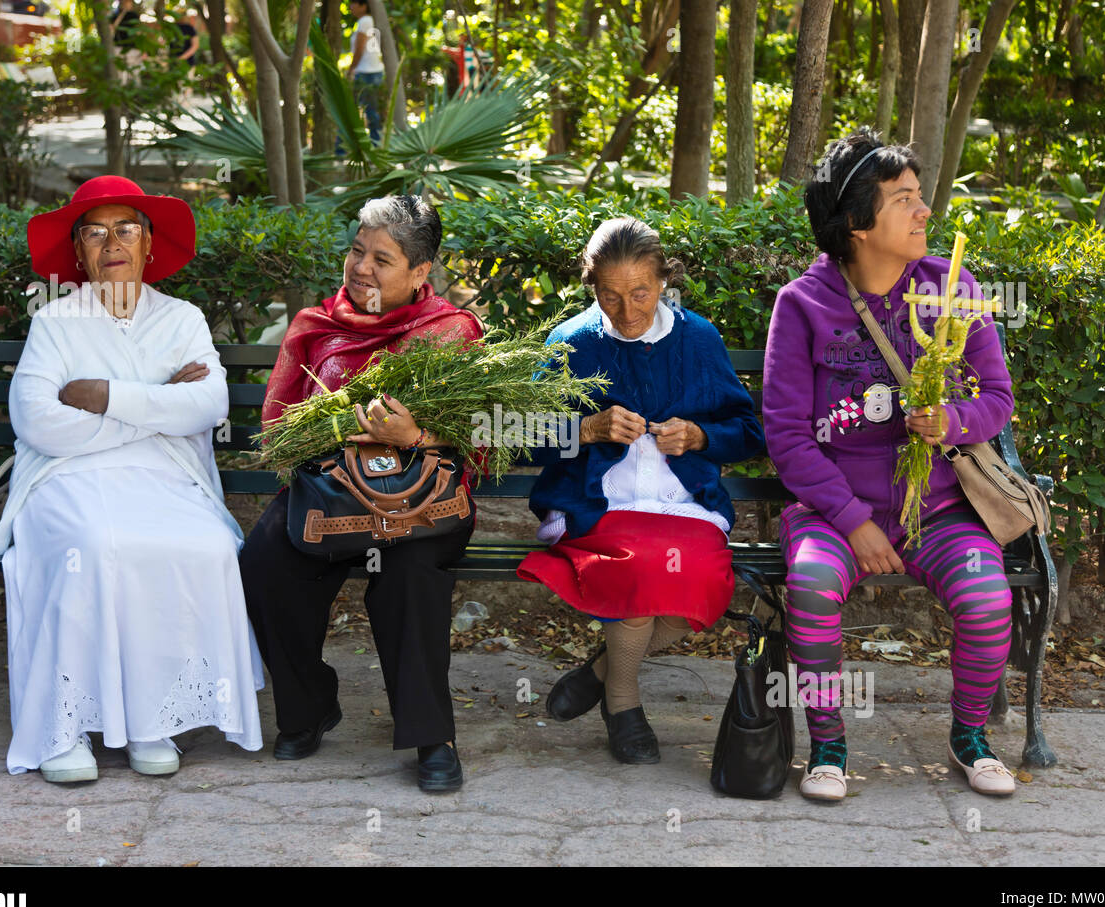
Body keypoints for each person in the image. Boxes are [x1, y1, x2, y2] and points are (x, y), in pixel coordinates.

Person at [0, 175, 264, 783]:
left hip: (167, 475)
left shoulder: (183, 318)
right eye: (94, 232)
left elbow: (206, 407)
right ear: (77, 251)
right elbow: (40, 424)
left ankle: (154, 718)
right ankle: (63, 727)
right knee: (92, 546)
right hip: (65, 475)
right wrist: (155, 410)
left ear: (149, 241)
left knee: (202, 546)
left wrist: (103, 395)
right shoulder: (54, 322)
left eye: (126, 228)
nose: (112, 243)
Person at [764, 129, 1018, 802]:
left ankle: (970, 738)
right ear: (858, 225)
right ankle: (828, 744)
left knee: (990, 599)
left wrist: (952, 422)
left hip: (936, 511)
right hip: (833, 511)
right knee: (813, 590)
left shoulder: (951, 286)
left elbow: (996, 398)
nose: (924, 211)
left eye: (920, 196)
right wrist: (851, 521)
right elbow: (788, 437)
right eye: (905, 198)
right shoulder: (802, 304)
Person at [240, 195, 482, 792]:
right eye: (357, 251)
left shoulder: (449, 333)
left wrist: (414, 435)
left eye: (382, 258)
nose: (361, 267)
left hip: (420, 498)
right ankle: (308, 707)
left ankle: (432, 736)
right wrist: (328, 434)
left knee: (410, 571)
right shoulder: (312, 327)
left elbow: (479, 438)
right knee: (267, 558)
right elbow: (276, 428)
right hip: (330, 493)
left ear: (421, 272)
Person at [517, 217, 765, 765]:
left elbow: (747, 431)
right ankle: (624, 703)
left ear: (663, 283)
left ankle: (603, 672)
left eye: (640, 294)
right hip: (601, 505)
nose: (627, 312)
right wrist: (586, 430)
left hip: (685, 507)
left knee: (700, 584)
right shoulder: (571, 342)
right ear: (591, 287)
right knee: (637, 568)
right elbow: (517, 437)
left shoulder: (698, 338)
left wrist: (700, 436)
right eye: (609, 296)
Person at [344, 0, 384, 146]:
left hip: (367, 72)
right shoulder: (366, 21)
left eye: (354, 3)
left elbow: (359, 50)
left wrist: (351, 69)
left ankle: (374, 144)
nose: (350, 7)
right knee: (369, 110)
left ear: (364, 6)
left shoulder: (365, 21)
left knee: (364, 111)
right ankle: (373, 144)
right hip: (371, 71)